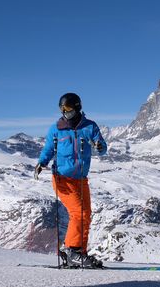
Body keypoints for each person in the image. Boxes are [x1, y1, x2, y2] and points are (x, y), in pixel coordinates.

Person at [34, 92, 107, 268]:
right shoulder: (56, 128)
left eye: (67, 108)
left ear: (77, 107)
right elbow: (49, 149)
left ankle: (78, 252)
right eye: (62, 109)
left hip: (81, 179)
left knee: (86, 215)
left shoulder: (89, 127)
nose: (64, 112)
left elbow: (102, 147)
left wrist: (99, 146)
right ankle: (72, 250)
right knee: (78, 213)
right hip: (62, 179)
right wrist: (41, 163)